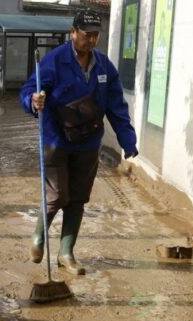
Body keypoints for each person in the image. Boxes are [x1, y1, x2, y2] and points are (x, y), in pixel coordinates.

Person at [20, 9, 139, 275]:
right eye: (86, 34)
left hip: (87, 143)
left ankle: (66, 253)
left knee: (77, 198)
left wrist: (127, 139)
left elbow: (116, 106)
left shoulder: (105, 67)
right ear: (73, 32)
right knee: (56, 194)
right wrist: (33, 101)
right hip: (56, 139)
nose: (91, 40)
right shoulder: (54, 61)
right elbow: (29, 90)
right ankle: (39, 236)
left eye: (96, 35)